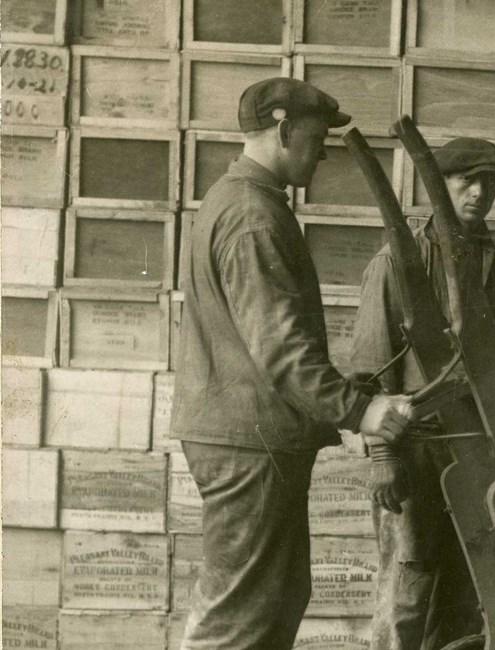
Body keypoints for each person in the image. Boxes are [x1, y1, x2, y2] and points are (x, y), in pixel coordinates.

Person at [171, 78, 414, 649]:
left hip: (250, 437)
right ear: (282, 131)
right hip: (249, 444)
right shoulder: (254, 217)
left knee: (274, 599)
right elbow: (281, 350)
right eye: (315, 137)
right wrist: (362, 410)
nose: (324, 151)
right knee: (240, 618)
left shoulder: (239, 202)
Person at [351, 137, 495, 649]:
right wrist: (383, 455)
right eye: (465, 181)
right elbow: (367, 374)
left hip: (475, 449)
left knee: (468, 586)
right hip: (415, 449)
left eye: (490, 183)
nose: (479, 193)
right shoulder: (395, 264)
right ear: (438, 187)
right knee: (407, 589)